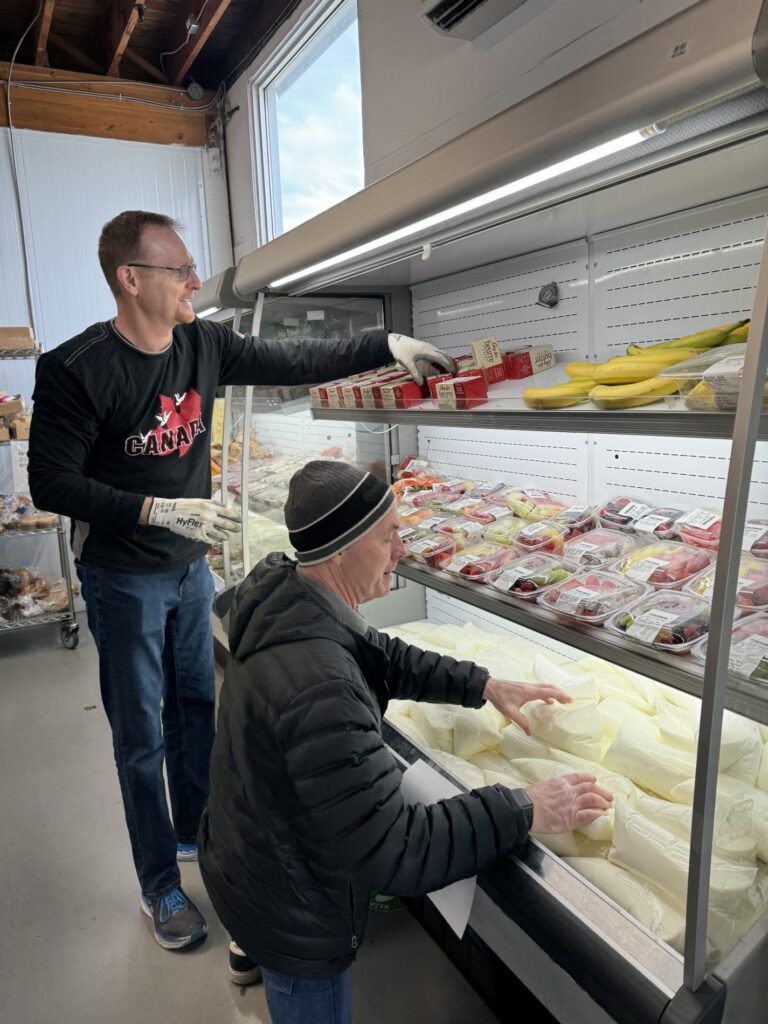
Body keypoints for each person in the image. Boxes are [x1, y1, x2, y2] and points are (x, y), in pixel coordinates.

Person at [27, 210, 453, 951]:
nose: (196, 282)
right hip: (122, 577)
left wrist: (383, 344)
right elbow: (50, 483)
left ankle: (195, 829)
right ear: (131, 280)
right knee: (138, 739)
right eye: (179, 270)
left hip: (189, 570)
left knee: (196, 706)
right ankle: (159, 886)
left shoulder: (201, 343)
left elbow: (291, 358)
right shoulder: (75, 368)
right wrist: (154, 507)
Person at [198, 459, 613, 1024]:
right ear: (343, 550)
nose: (403, 549)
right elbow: (396, 851)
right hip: (293, 910)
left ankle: (255, 952)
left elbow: (381, 655)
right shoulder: (320, 686)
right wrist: (524, 807)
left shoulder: (290, 597)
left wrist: (484, 684)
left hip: (251, 850)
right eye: (389, 535)